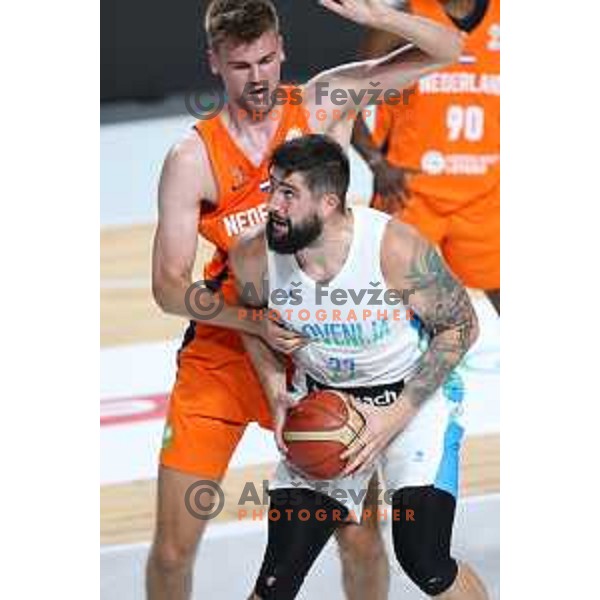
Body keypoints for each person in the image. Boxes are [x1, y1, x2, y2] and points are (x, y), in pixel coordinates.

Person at [148, 1, 464, 598]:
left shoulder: (324, 101)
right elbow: (168, 287)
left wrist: (377, 14)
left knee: (360, 534)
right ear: (214, 62)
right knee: (170, 547)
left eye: (267, 57)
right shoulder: (192, 158)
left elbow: (448, 50)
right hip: (228, 340)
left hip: (319, 351)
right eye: (241, 64)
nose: (259, 76)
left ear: (283, 49)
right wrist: (253, 323)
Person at [230, 134, 489, 599]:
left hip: (412, 401)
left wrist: (394, 416)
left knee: (424, 558)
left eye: (288, 194)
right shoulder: (253, 255)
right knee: (276, 580)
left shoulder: (393, 247)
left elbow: (462, 327)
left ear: (329, 203)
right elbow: (254, 326)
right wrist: (276, 394)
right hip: (325, 405)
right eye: (271, 188)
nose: (272, 205)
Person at [352, 0, 500, 313]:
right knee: (387, 305)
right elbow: (344, 97)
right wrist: (377, 162)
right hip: (409, 192)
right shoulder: (403, 17)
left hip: (485, 193)